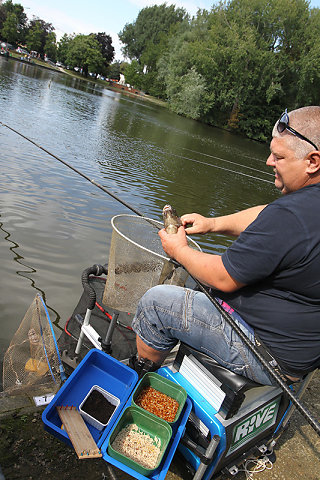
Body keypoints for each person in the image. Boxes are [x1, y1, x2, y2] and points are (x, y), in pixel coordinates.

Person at [131, 106, 320, 385]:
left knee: (155, 304)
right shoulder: (306, 205)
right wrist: (213, 224)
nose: (269, 162)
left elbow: (224, 277)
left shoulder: (292, 215)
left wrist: (179, 250)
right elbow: (265, 215)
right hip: (299, 348)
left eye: (279, 156)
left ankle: (140, 382)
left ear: (313, 161)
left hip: (267, 353)